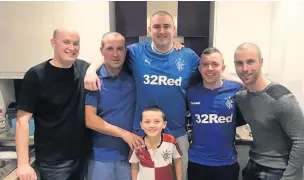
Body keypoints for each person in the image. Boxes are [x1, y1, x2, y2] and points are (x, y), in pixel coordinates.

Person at [84, 11, 241, 180]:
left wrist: (245, 82)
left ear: (174, 29)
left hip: (176, 134)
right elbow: (112, 53)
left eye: (166, 26)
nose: (161, 31)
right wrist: (91, 70)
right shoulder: (136, 52)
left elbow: (212, 70)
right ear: (149, 29)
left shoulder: (187, 56)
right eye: (157, 26)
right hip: (143, 135)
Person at [15, 27, 91, 180]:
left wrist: (93, 70)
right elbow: (22, 121)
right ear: (53, 43)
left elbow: (105, 55)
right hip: (53, 162)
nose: (72, 48)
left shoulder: (83, 68)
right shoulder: (36, 75)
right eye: (66, 42)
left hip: (83, 157)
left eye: (76, 43)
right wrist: (23, 164)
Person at [234, 42, 304, 180]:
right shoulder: (242, 97)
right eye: (239, 63)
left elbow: (301, 140)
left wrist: (289, 177)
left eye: (250, 62)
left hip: (278, 171)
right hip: (253, 165)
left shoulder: (281, 99)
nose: (244, 68)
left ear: (261, 62)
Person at [85, 32, 144, 180]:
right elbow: (89, 119)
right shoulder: (94, 82)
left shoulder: (133, 78)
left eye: (120, 49)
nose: (115, 54)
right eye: (110, 49)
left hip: (131, 157)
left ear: (125, 51)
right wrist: (124, 134)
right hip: (100, 158)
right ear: (102, 51)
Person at [186, 47, 246, 180]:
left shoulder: (236, 90)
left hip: (227, 164)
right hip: (197, 162)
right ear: (200, 68)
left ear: (223, 68)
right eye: (205, 64)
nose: (210, 68)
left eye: (215, 64)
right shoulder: (190, 92)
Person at [129, 106, 183, 180]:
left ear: (164, 124)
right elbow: (134, 167)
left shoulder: (171, 141)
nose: (152, 125)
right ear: (141, 125)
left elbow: (177, 161)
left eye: (157, 121)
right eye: (147, 122)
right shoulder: (137, 144)